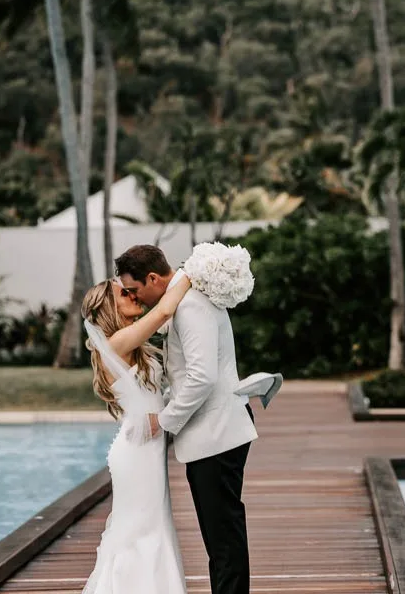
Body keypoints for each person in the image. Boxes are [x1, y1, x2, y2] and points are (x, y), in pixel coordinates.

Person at [115, 244, 258, 594]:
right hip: (213, 433)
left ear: (152, 278)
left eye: (135, 290)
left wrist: (164, 421)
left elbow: (201, 377)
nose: (137, 298)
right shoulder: (185, 301)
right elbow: (188, 376)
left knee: (223, 536)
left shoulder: (190, 305)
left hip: (217, 434)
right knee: (220, 535)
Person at [81, 272, 191, 594]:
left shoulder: (131, 345)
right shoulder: (117, 343)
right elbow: (164, 311)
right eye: (123, 294)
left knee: (153, 529)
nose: (133, 295)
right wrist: (195, 271)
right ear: (109, 308)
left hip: (148, 448)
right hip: (137, 450)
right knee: (141, 534)